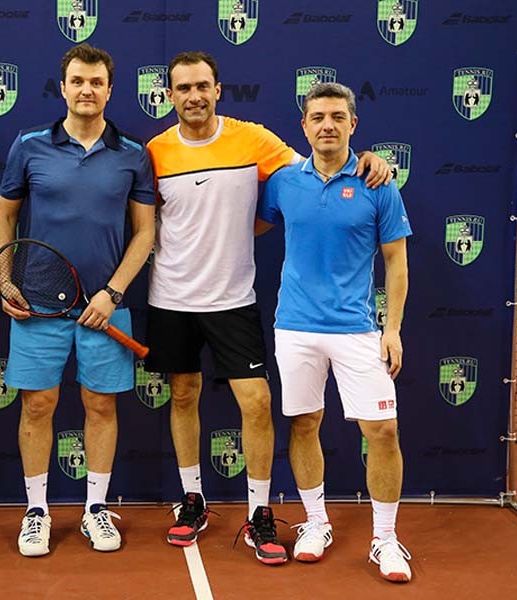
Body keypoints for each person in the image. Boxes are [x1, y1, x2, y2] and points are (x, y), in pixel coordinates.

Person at [145, 51, 392, 565]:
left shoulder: (254, 140)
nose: (194, 96)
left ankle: (260, 513)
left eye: (203, 86)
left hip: (234, 299)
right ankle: (192, 499)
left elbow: (319, 164)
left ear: (218, 91)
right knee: (183, 395)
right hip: (170, 297)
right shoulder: (154, 151)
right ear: (169, 95)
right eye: (183, 88)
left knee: (257, 404)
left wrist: (368, 158)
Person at [0, 43, 155, 557]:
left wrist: (113, 293)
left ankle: (95, 509)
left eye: (96, 82)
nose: (87, 90)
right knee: (37, 405)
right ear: (62, 88)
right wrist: (5, 279)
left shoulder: (133, 153)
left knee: (100, 406)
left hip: (106, 307)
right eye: (78, 81)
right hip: (38, 303)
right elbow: (3, 217)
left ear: (110, 89)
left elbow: (145, 233)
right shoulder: (29, 145)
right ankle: (37, 511)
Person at [256, 82, 413, 582]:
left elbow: (396, 262)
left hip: (357, 330)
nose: (328, 125)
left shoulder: (378, 183)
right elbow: (246, 224)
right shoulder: (283, 182)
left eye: (337, 117)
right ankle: (316, 523)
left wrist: (392, 329)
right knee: (304, 424)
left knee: (382, 431)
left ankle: (385, 538)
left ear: (352, 125)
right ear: (304, 126)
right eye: (318, 117)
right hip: (294, 328)